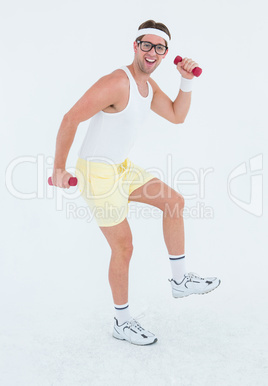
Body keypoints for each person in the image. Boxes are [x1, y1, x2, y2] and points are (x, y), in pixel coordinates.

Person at [51, 20, 221, 346]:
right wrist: (59, 168)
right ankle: (122, 321)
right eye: (147, 44)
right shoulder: (117, 82)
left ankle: (180, 280)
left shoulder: (149, 87)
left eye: (160, 47)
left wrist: (186, 82)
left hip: (122, 169)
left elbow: (176, 115)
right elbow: (71, 118)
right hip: (97, 174)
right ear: (135, 46)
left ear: (165, 53)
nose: (152, 52)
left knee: (174, 202)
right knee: (124, 247)